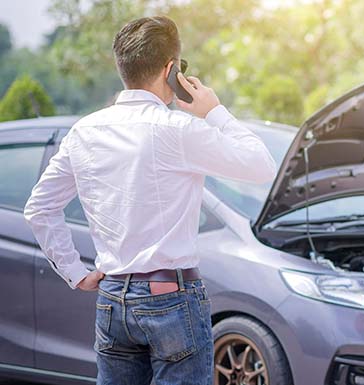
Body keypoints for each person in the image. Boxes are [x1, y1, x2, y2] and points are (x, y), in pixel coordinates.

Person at [23, 16, 276, 385]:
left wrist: (75, 272)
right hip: (172, 298)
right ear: (171, 69)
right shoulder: (179, 129)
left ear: (122, 66)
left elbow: (39, 208)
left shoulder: (83, 132)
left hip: (112, 298)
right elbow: (262, 166)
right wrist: (213, 112)